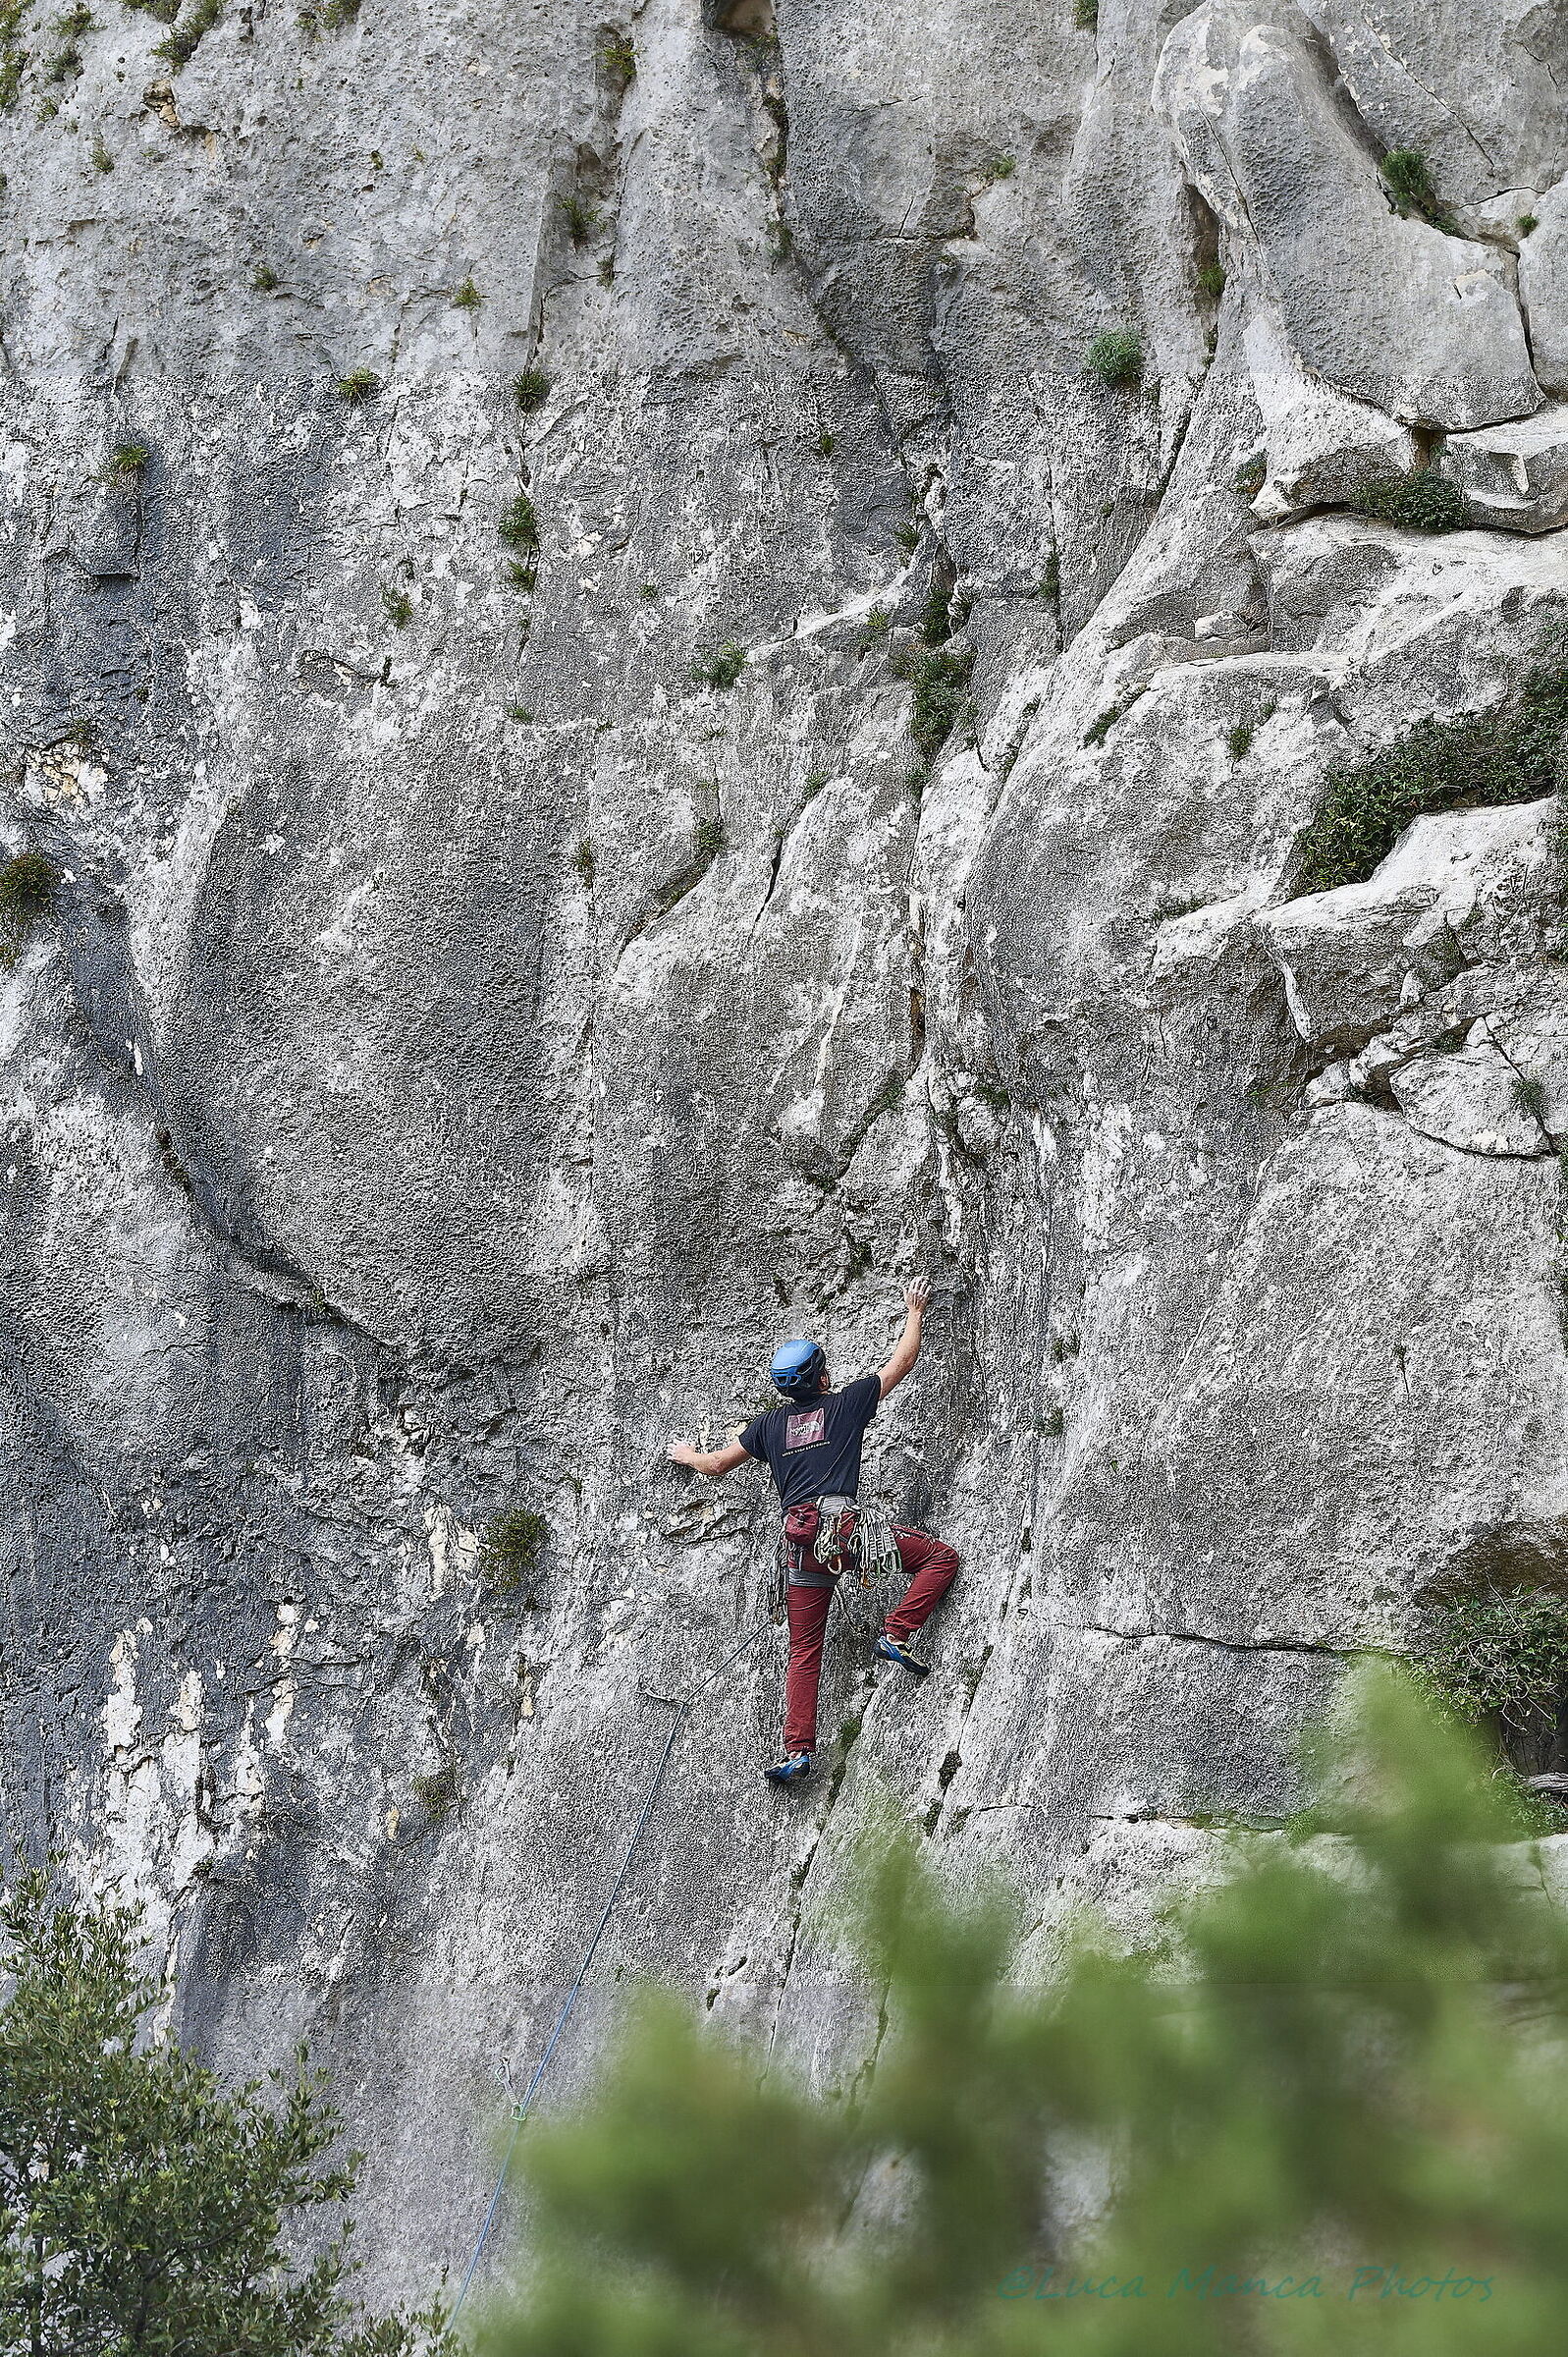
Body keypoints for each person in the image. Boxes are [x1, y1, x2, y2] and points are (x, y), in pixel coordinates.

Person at [667, 1281, 960, 1785]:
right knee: (939, 1558)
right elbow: (902, 1364)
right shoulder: (844, 1405)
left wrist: (686, 1455)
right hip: (847, 1535)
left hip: (802, 1547)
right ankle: (895, 1632)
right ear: (822, 1376)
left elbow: (716, 1465)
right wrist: (914, 1311)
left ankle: (798, 1751)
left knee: (804, 1649)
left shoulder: (768, 1428)